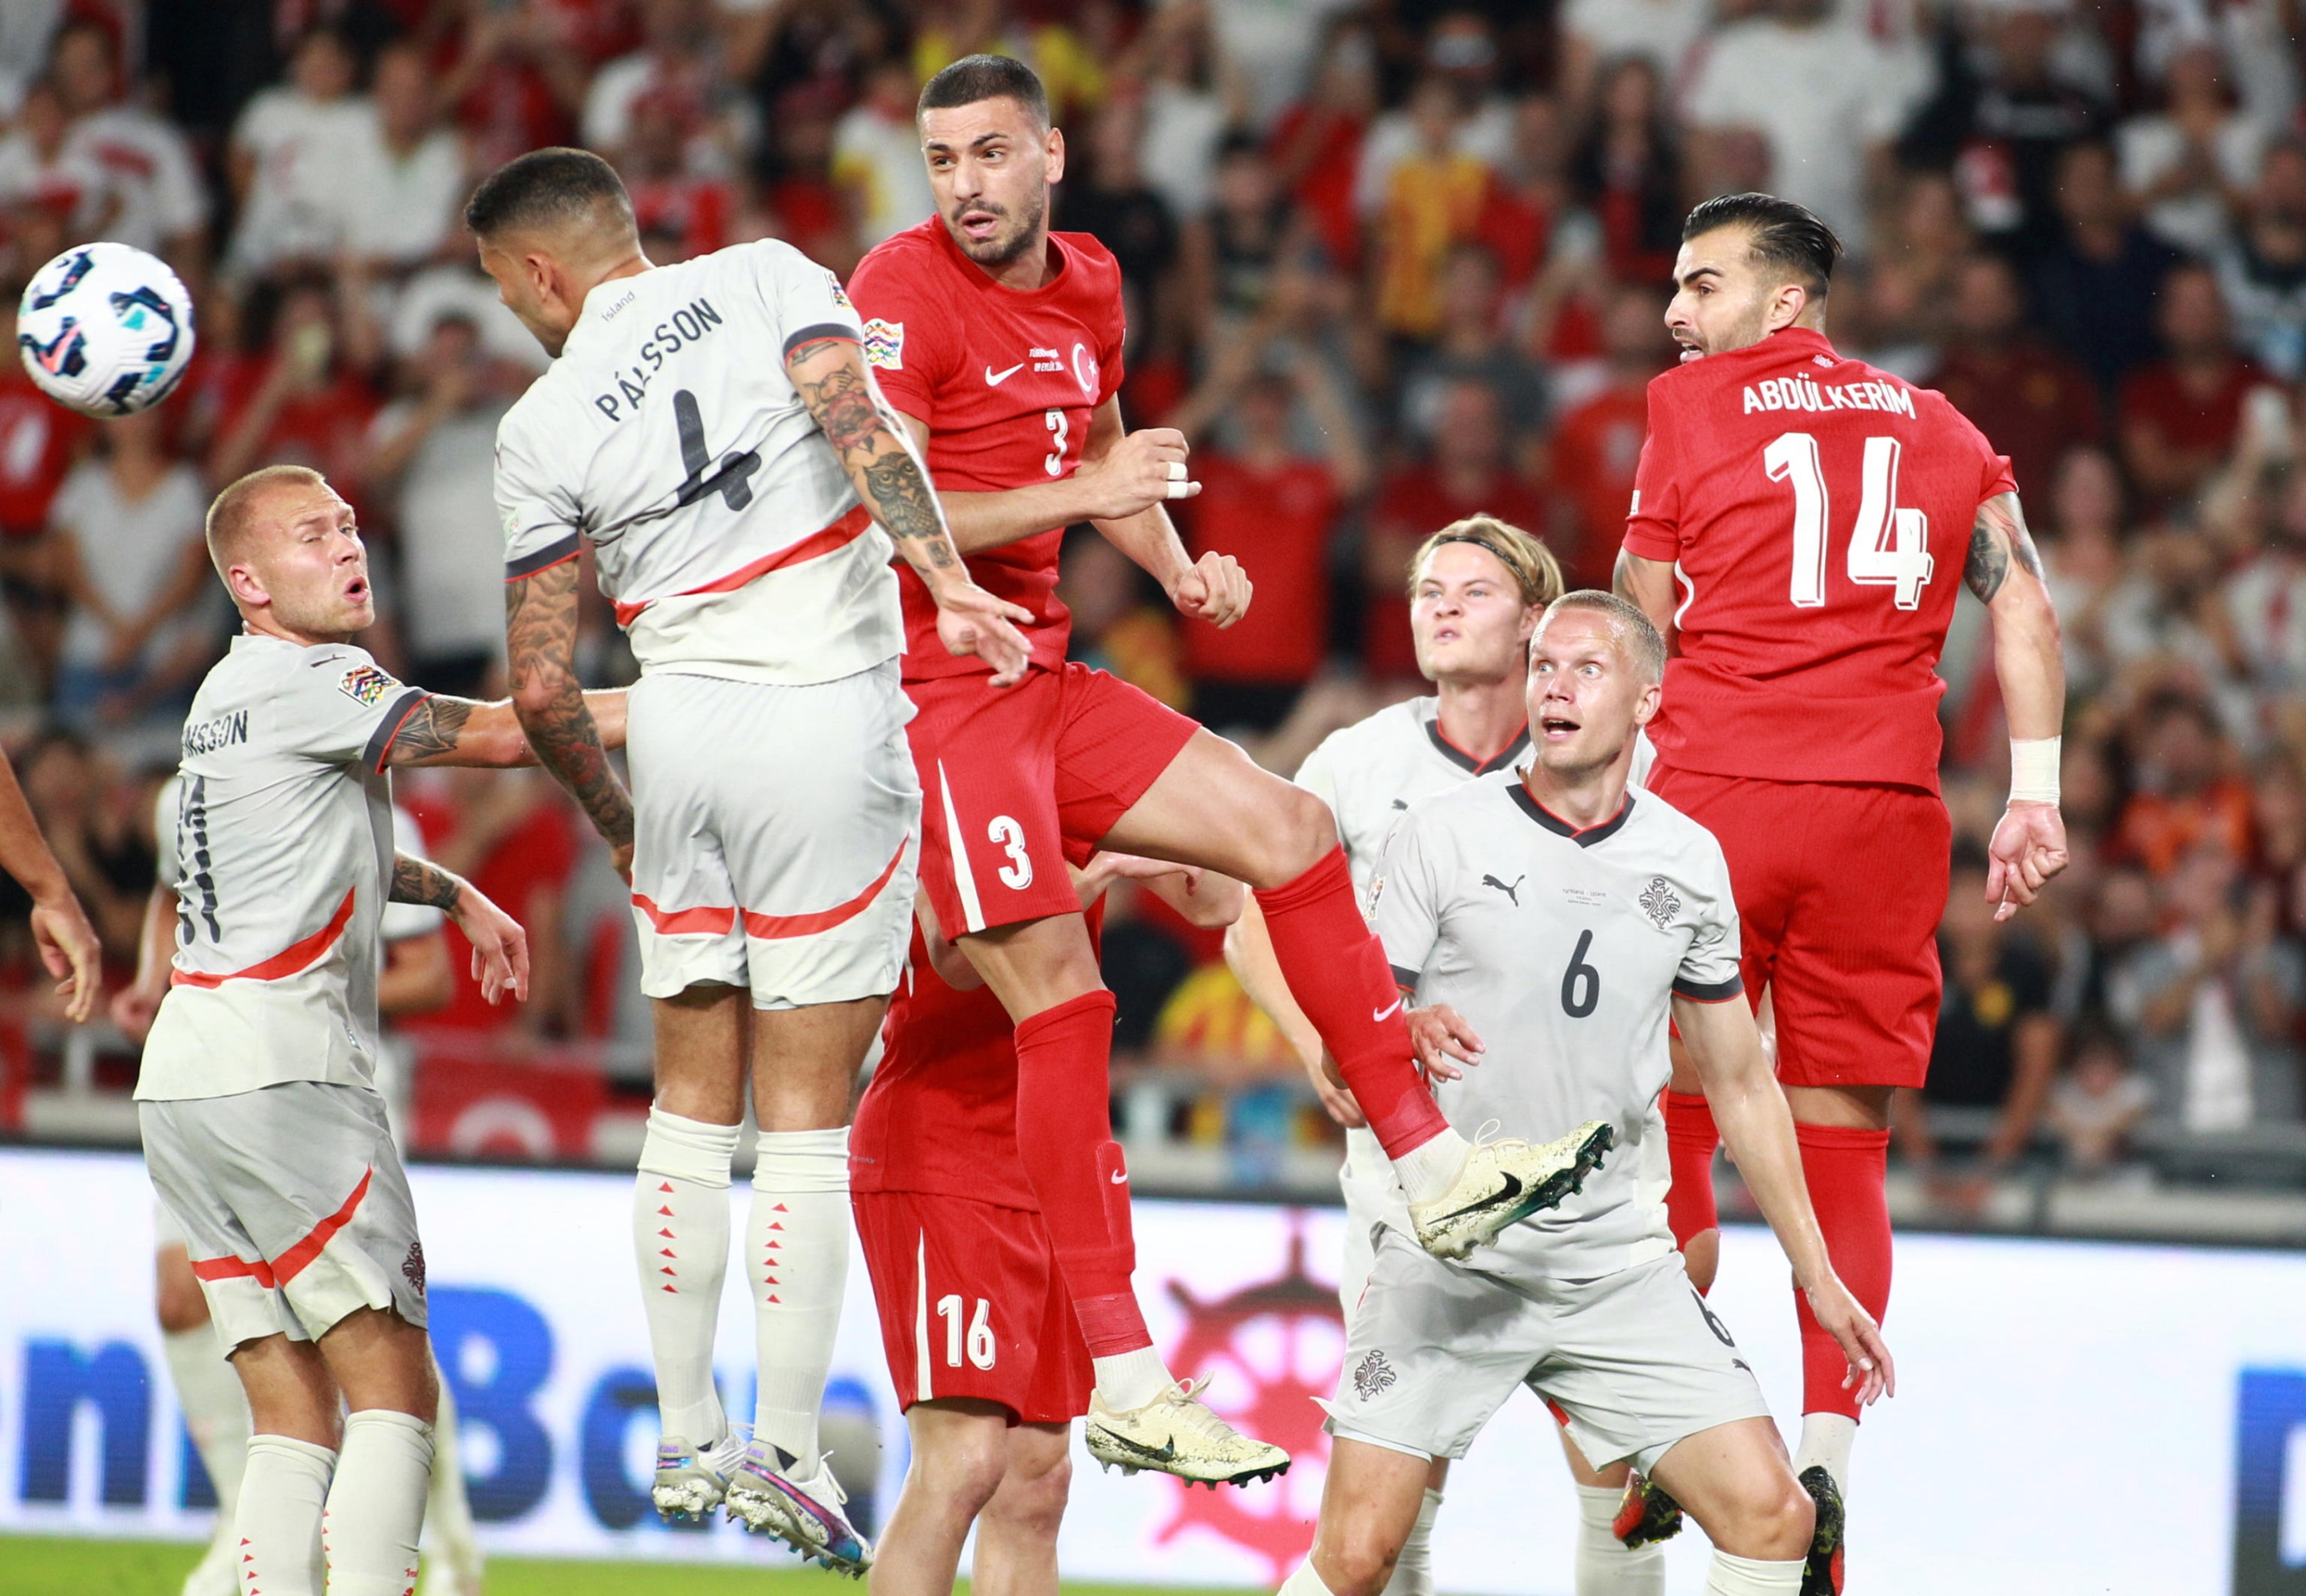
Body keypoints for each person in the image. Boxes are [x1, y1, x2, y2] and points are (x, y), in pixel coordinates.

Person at [847, 53, 1605, 1487]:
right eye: (943, 161)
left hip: (1043, 673)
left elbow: (1101, 437)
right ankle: (1132, 1378)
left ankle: (1434, 1171)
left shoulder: (1091, 283)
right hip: (933, 693)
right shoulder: (897, 288)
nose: (967, 188)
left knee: (1292, 825)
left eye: (992, 155)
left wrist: (1179, 565)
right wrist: (1094, 498)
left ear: (1053, 154)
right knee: (1063, 1000)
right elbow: (895, 499)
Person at [466, 145, 1029, 1570]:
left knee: (683, 1112)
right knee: (803, 1124)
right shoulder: (768, 274)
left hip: (682, 730)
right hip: (823, 718)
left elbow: (540, 690)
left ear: (539, 273)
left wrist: (618, 819)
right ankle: (785, 1447)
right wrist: (949, 581)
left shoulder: (535, 426)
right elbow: (864, 433)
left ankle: (679, 1435)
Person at [1614, 193, 2066, 1590]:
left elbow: (1639, 600)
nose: (1676, 313)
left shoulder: (1689, 409)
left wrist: (1612, 783)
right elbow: (2031, 609)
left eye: (1702, 285)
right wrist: (2035, 794)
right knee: (1842, 1144)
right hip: (1885, 815)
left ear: (1786, 301)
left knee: (1676, 1100)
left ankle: (1676, 1425)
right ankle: (1824, 1464)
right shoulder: (1941, 427)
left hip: (1719, 801)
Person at [1281, 592, 1892, 1596]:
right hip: (1451, 1252)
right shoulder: (1439, 836)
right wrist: (1391, 1036)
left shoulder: (1687, 860)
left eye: (1584, 669)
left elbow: (1741, 1081)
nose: (1553, 687)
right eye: (1543, 668)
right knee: (1354, 1556)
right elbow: (1351, 1050)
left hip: (1612, 1261)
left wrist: (1819, 1277)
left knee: (1775, 1517)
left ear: (1649, 696)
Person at [136, 462, 622, 1596]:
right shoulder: (321, 679)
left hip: (190, 1074)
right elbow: (511, 735)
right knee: (394, 1389)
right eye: (314, 536)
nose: (350, 546)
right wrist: (706, 695)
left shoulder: (226, 695)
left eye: (351, 526)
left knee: (289, 1415)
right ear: (248, 581)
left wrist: (454, 892)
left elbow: (312, 849)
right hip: (289, 1070)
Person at [1234, 519, 1680, 1596]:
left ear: (1535, 625)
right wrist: (1317, 1045)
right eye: (1426, 587)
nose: (1438, 604)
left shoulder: (1627, 758)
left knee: (1622, 1496)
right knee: (1389, 1523)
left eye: (1472, 591)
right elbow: (1253, 920)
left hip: (1588, 1187)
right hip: (1413, 1188)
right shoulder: (1358, 761)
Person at [115, 791, 480, 1596]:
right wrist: (155, 982)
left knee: (369, 1339)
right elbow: (174, 898)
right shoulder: (192, 790)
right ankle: (241, 1523)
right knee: (187, 1302)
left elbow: (427, 973)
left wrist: (289, 987)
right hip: (207, 1076)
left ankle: (446, 1543)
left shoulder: (362, 800)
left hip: (319, 1084)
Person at [858, 851, 1241, 1596]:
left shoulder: (1075, 780)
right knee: (964, 1461)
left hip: (1055, 1157)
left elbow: (1220, 902)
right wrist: (1079, 882)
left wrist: (1177, 832)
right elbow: (953, 955)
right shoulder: (945, 780)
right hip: (945, 1145)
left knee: (1037, 1479)